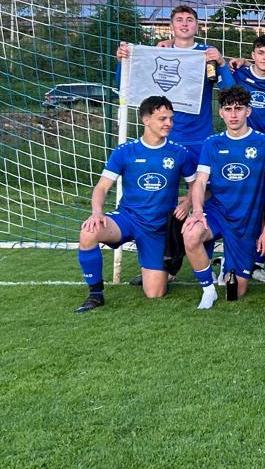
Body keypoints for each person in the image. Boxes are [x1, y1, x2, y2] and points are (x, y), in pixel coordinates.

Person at [115, 4, 225, 279]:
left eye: (190, 20)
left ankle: (206, 263)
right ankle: (163, 263)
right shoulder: (159, 52)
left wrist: (221, 62)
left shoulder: (206, 54)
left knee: (203, 201)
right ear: (172, 26)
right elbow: (127, 83)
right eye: (179, 20)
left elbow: (228, 88)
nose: (185, 24)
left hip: (199, 141)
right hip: (165, 141)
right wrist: (123, 61)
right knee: (159, 201)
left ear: (197, 25)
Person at [74, 95, 199, 312]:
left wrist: (188, 202)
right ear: (146, 120)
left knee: (155, 293)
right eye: (162, 119)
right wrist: (97, 212)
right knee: (88, 232)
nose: (168, 123)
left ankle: (159, 267)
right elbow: (102, 187)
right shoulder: (125, 151)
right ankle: (95, 294)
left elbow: (198, 186)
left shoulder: (180, 153)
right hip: (128, 218)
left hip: (158, 227)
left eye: (171, 118)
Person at [185, 87, 265, 308]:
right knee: (191, 233)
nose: (233, 114)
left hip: (246, 221)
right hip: (217, 213)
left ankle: (228, 263)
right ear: (221, 113)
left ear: (248, 111)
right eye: (228, 109)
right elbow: (200, 182)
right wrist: (197, 211)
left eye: (239, 109)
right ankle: (208, 291)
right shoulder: (212, 143)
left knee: (236, 291)